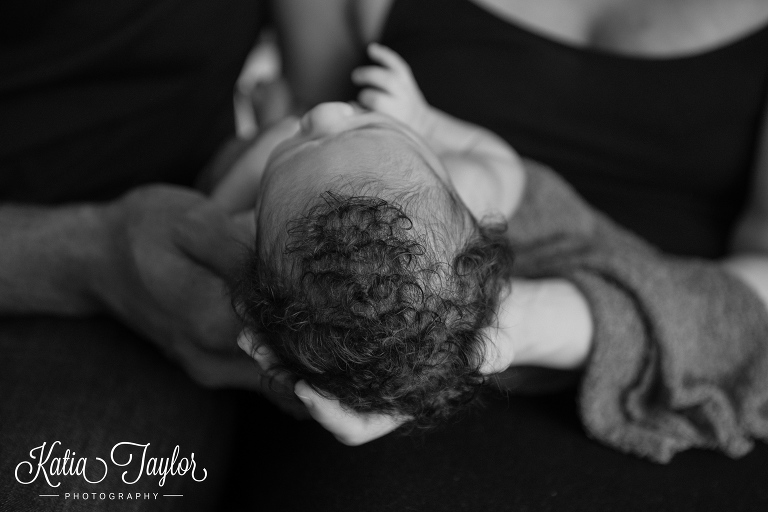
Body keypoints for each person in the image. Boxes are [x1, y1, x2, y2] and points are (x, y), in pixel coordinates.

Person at [258, 0, 768, 465]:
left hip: (679, 305)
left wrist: (499, 331)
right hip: (417, 342)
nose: (328, 116)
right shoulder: (372, 196)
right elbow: (308, 186)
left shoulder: (480, 180)